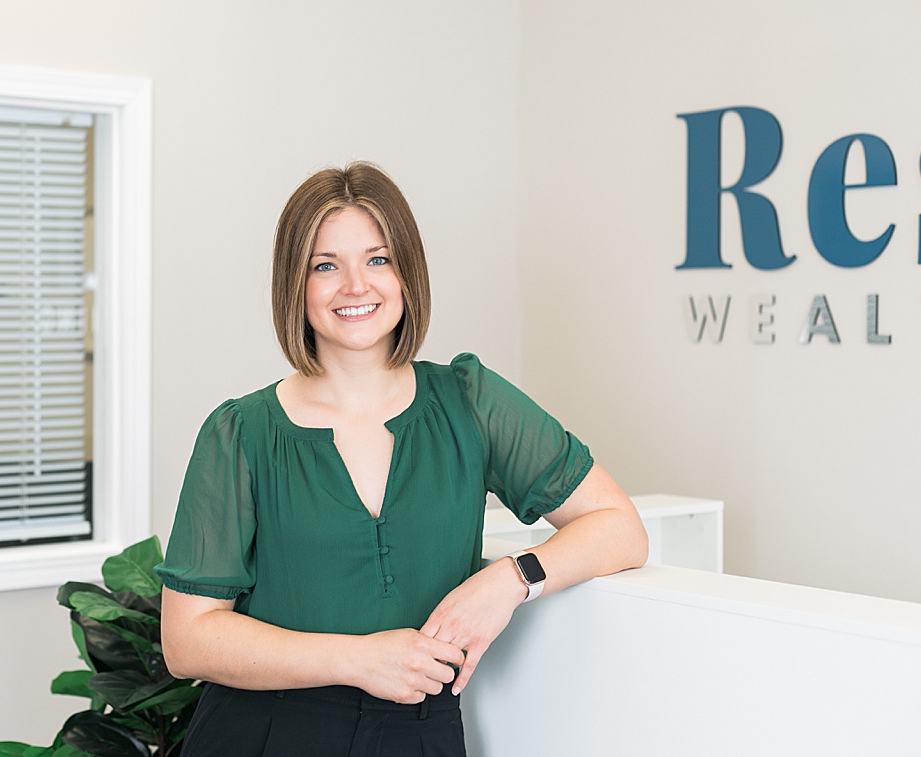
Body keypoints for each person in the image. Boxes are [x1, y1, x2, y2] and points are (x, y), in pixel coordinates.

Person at [157, 162, 648, 756]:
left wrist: (511, 580)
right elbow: (188, 640)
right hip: (264, 734)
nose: (356, 286)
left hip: (416, 731)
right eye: (325, 265)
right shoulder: (241, 432)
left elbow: (619, 528)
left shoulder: (470, 401)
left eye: (378, 259)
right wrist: (359, 658)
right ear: (295, 283)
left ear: (407, 272)